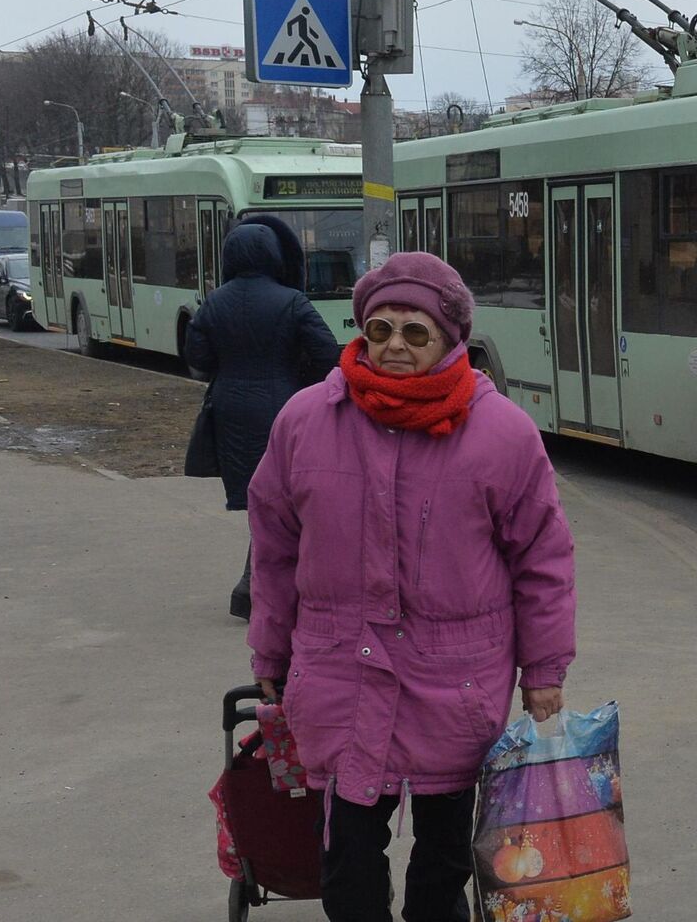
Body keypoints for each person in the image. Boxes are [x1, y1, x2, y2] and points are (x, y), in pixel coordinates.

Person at [246, 253, 577, 922]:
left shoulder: (503, 434)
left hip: (455, 685)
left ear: (451, 338)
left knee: (443, 870)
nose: (394, 344)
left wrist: (544, 670)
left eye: (414, 331)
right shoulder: (306, 422)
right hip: (340, 677)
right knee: (347, 875)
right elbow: (274, 549)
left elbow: (543, 557)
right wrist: (269, 655)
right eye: (379, 328)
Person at [185, 223, 338, 620]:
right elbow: (326, 352)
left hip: (230, 410)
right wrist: (300, 381)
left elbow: (197, 358)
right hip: (281, 407)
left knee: (262, 499)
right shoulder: (291, 301)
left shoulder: (214, 302)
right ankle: (257, 585)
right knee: (284, 497)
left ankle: (254, 584)